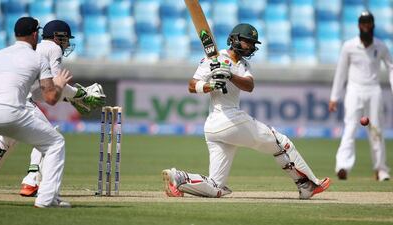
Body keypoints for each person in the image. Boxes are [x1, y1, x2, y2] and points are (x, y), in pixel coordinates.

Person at [162, 23, 331, 199]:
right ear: (234, 39)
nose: (250, 46)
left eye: (252, 44)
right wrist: (209, 85)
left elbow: (249, 86)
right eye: (247, 42)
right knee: (281, 143)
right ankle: (307, 185)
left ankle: (179, 178)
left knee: (216, 186)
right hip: (227, 119)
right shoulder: (213, 59)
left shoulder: (244, 64)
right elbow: (191, 85)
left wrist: (230, 75)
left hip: (216, 128)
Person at [0, 19, 106, 197]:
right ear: (57, 37)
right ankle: (31, 182)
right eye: (66, 39)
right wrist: (81, 95)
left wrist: (71, 99)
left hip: (12, 101)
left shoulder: (35, 49)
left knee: (6, 139)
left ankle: (30, 181)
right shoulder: (52, 48)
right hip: (21, 102)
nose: (67, 43)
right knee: (49, 137)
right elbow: (53, 83)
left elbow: (41, 93)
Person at [0, 17, 72, 207]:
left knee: (3, 140)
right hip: (13, 112)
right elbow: (51, 98)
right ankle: (46, 199)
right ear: (35, 34)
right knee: (55, 142)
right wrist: (60, 85)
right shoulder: (39, 57)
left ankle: (32, 181)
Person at [329, 11, 391, 181]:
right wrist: (334, 96)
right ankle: (343, 166)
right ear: (358, 25)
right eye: (363, 23)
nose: (365, 26)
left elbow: (391, 68)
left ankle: (381, 169)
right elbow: (341, 72)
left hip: (374, 90)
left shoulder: (381, 46)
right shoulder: (349, 46)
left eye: (368, 22)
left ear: (373, 25)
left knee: (376, 129)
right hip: (354, 90)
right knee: (350, 127)